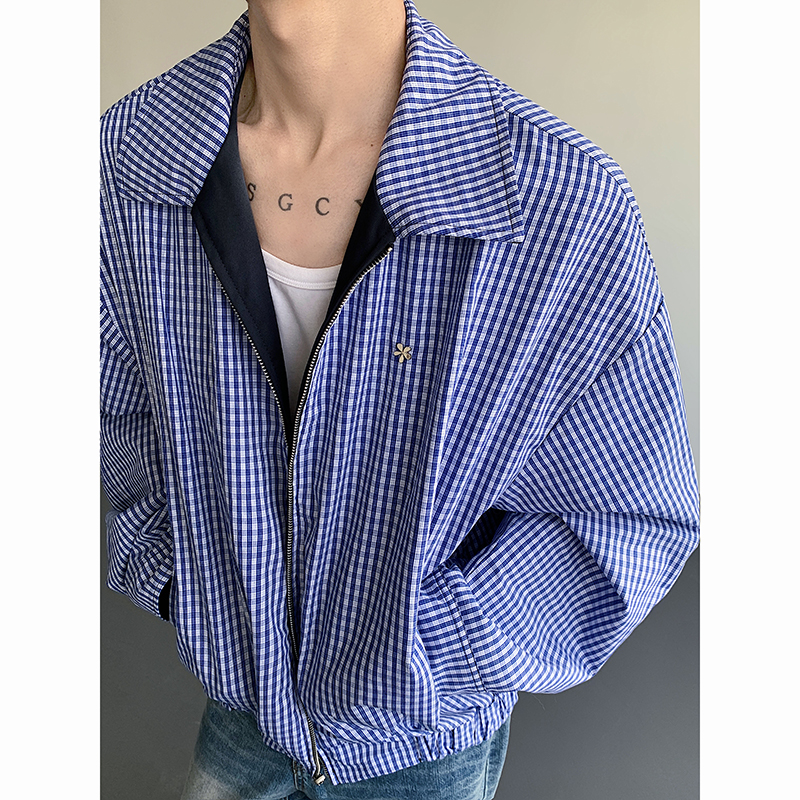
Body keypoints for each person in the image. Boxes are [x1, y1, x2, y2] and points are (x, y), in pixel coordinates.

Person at [99, 0, 700, 797]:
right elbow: (113, 419)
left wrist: (414, 659)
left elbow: (628, 514)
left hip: (421, 748)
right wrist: (198, 594)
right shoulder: (127, 164)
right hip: (242, 717)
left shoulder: (558, 205)